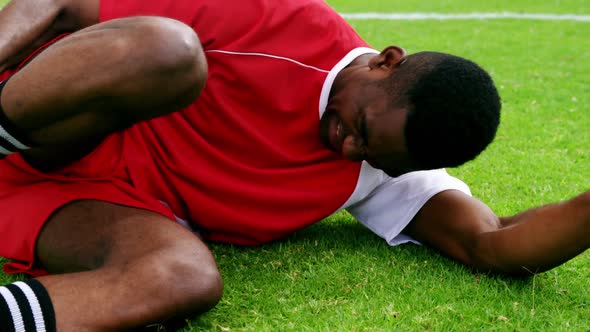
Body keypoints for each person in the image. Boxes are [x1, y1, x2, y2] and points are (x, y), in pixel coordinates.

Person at [0, 0, 587, 331]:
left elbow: (495, 242)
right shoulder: (284, 22)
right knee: (167, 51)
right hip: (44, 121)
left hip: (80, 201)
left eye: (372, 155)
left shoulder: (375, 167)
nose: (350, 148)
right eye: (361, 128)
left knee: (186, 279)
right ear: (386, 62)